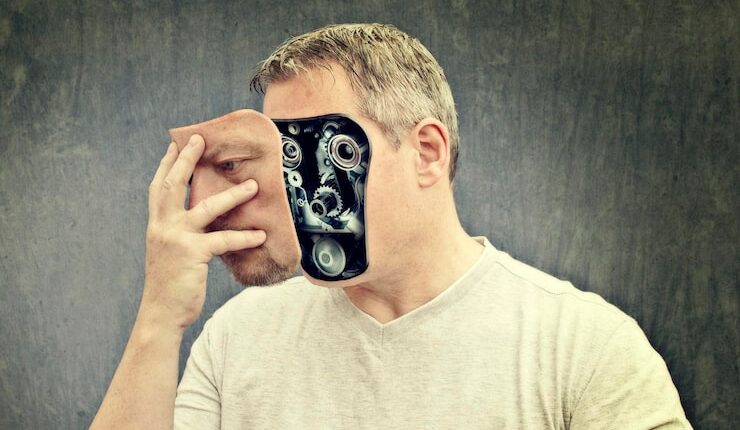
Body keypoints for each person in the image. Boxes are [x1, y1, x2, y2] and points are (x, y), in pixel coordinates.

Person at [91, 23, 692, 429]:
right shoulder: (237, 338)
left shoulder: (582, 347)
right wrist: (158, 319)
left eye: (324, 151)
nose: (298, 188)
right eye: (284, 154)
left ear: (427, 153)